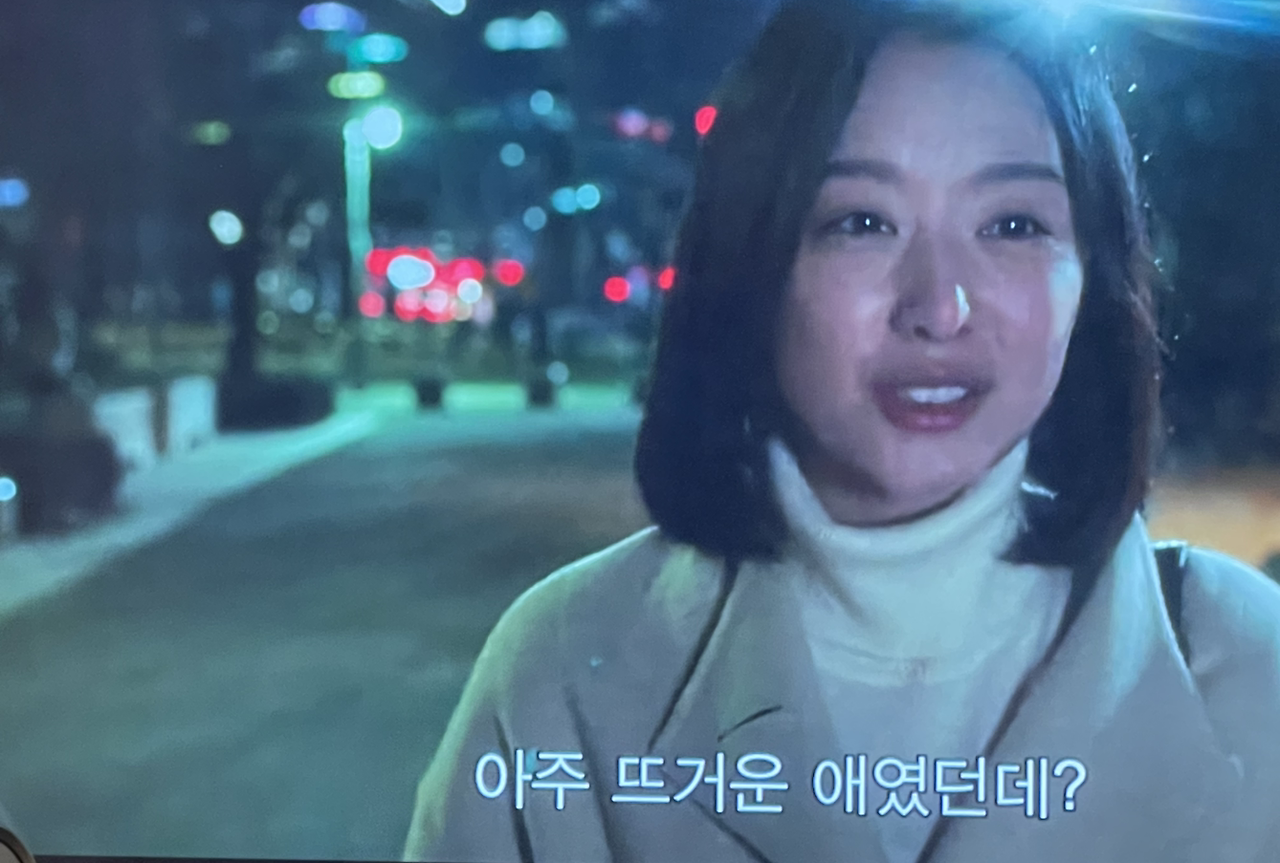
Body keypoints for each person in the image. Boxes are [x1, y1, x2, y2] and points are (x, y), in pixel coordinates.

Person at [403, 1, 1280, 861]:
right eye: (861, 222)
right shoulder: (567, 664)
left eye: (1013, 224)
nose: (940, 307)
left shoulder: (1247, 659)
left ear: (1092, 274)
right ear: (751, 257)